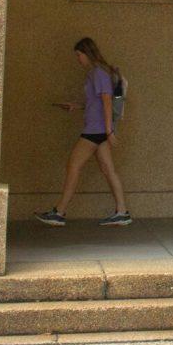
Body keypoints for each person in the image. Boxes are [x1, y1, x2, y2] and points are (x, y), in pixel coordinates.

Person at [34, 37, 132, 227]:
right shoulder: (99, 73)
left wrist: (109, 131)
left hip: (95, 130)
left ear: (87, 53)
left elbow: (106, 101)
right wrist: (76, 106)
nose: (78, 59)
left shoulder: (98, 73)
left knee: (73, 165)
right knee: (108, 169)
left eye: (79, 55)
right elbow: (96, 102)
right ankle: (122, 212)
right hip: (99, 129)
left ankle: (59, 212)